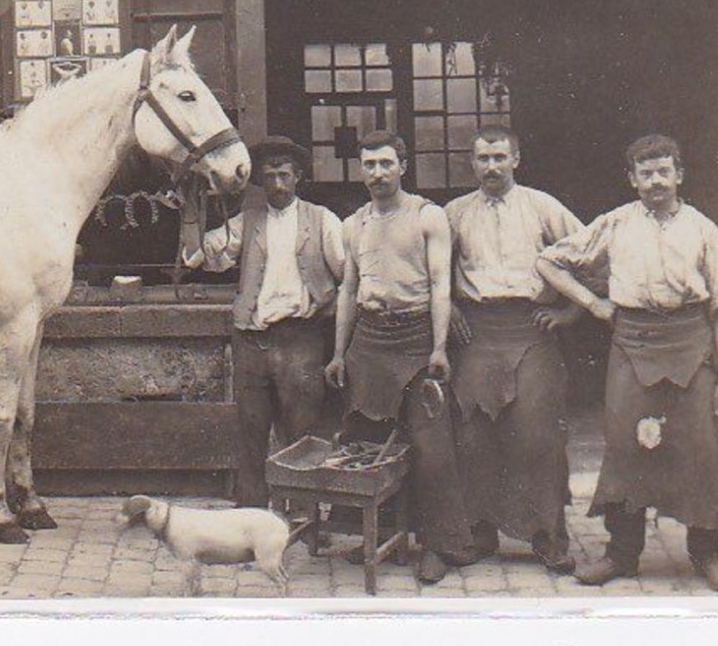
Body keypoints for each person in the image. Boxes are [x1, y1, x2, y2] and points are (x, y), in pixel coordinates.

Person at [537, 133, 718, 593]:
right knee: (627, 448)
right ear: (632, 179)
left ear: (679, 175)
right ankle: (621, 554)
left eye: (664, 171)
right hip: (631, 344)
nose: (655, 181)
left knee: (702, 450)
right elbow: (550, 261)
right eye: (645, 173)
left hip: (692, 345)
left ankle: (707, 552)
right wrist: (593, 303)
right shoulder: (615, 224)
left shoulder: (704, 229)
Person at [324, 130, 475, 585]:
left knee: (431, 449)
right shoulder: (354, 224)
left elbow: (440, 285)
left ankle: (440, 546)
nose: (377, 173)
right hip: (369, 341)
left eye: (386, 163)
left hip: (415, 338)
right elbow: (348, 290)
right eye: (369, 165)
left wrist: (439, 347)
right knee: (369, 446)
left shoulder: (428, 217)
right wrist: (338, 354)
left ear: (402, 166)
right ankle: (379, 536)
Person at [444, 126, 583, 575]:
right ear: (472, 163)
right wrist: (446, 307)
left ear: (516, 159)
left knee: (538, 434)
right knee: (473, 435)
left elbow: (593, 257)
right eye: (483, 158)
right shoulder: (454, 214)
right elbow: (430, 270)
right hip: (479, 332)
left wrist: (569, 313)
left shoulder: (543, 207)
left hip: (532, 330)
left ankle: (548, 537)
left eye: (500, 157)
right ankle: (480, 532)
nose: (491, 166)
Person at [183, 137, 346, 507]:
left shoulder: (323, 221)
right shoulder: (247, 222)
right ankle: (252, 510)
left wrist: (327, 311)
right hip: (253, 339)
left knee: (302, 431)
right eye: (270, 176)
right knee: (251, 428)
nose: (277, 184)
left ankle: (304, 515)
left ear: (298, 177)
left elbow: (347, 277)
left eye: (284, 175)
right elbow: (199, 256)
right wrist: (191, 207)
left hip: (302, 338)